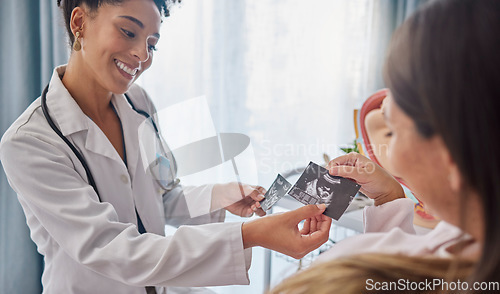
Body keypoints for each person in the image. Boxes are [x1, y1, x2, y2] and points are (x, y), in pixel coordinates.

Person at [0, 0, 332, 293]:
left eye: (152, 44)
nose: (143, 55)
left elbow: (162, 195)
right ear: (79, 23)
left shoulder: (139, 102)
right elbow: (113, 249)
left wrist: (221, 196)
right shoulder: (30, 142)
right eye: (129, 32)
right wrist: (250, 235)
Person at [272, 0, 500, 291]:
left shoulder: (346, 279)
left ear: (453, 156)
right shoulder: (469, 239)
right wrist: (389, 199)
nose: (389, 157)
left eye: (391, 132)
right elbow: (413, 258)